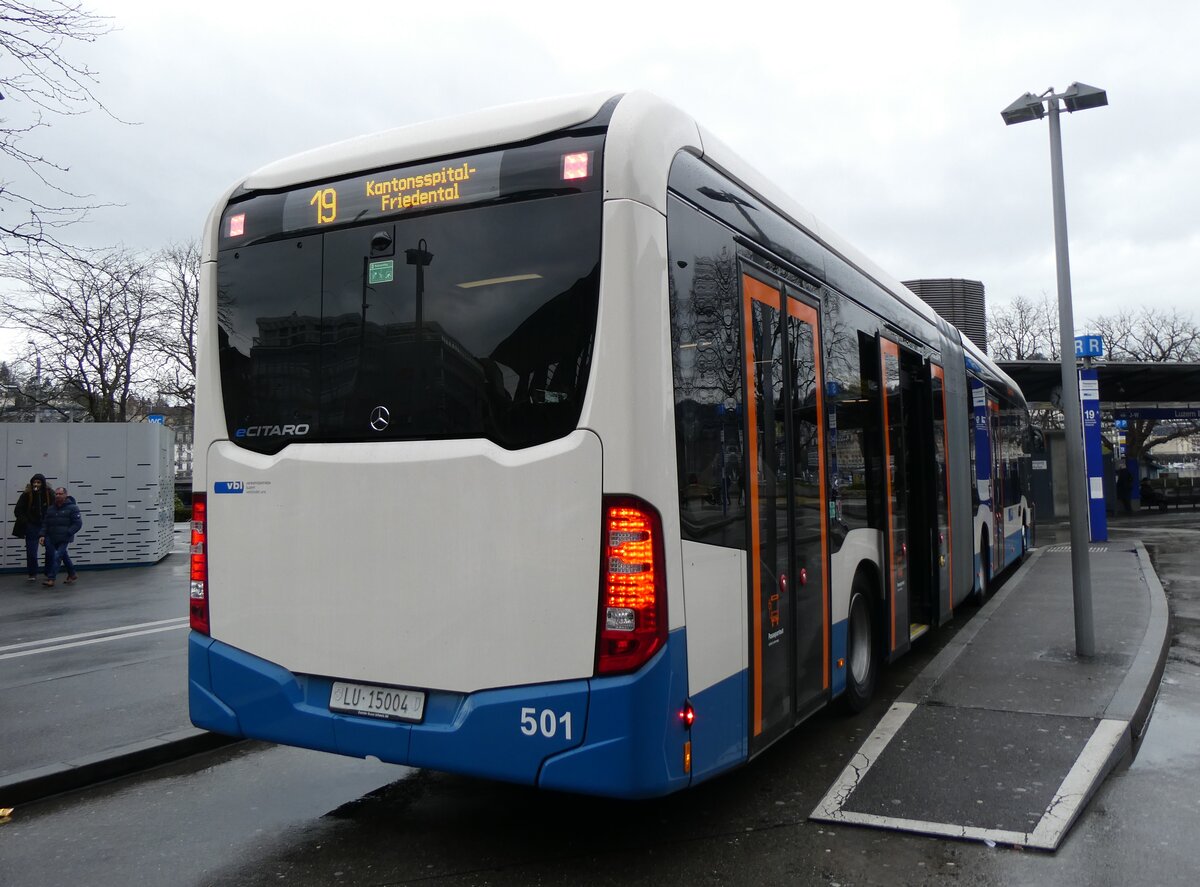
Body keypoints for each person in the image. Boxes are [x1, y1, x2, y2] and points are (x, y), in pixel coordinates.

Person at [13, 473, 53, 581]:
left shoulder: (49, 493)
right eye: (34, 482)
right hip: (32, 526)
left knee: (50, 550)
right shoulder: (27, 494)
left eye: (39, 482)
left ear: (43, 483)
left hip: (46, 526)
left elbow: (55, 508)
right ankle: (32, 573)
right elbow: (18, 510)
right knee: (31, 551)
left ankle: (48, 572)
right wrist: (27, 522)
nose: (36, 484)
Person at [39, 486, 82, 588]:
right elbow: (45, 523)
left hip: (64, 537)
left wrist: (68, 532)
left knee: (57, 556)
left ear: (65, 495)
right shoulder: (51, 508)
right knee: (63, 556)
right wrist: (42, 535)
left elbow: (78, 524)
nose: (58, 496)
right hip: (51, 536)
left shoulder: (73, 508)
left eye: (60, 494)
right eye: (56, 494)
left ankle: (51, 578)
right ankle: (72, 574)